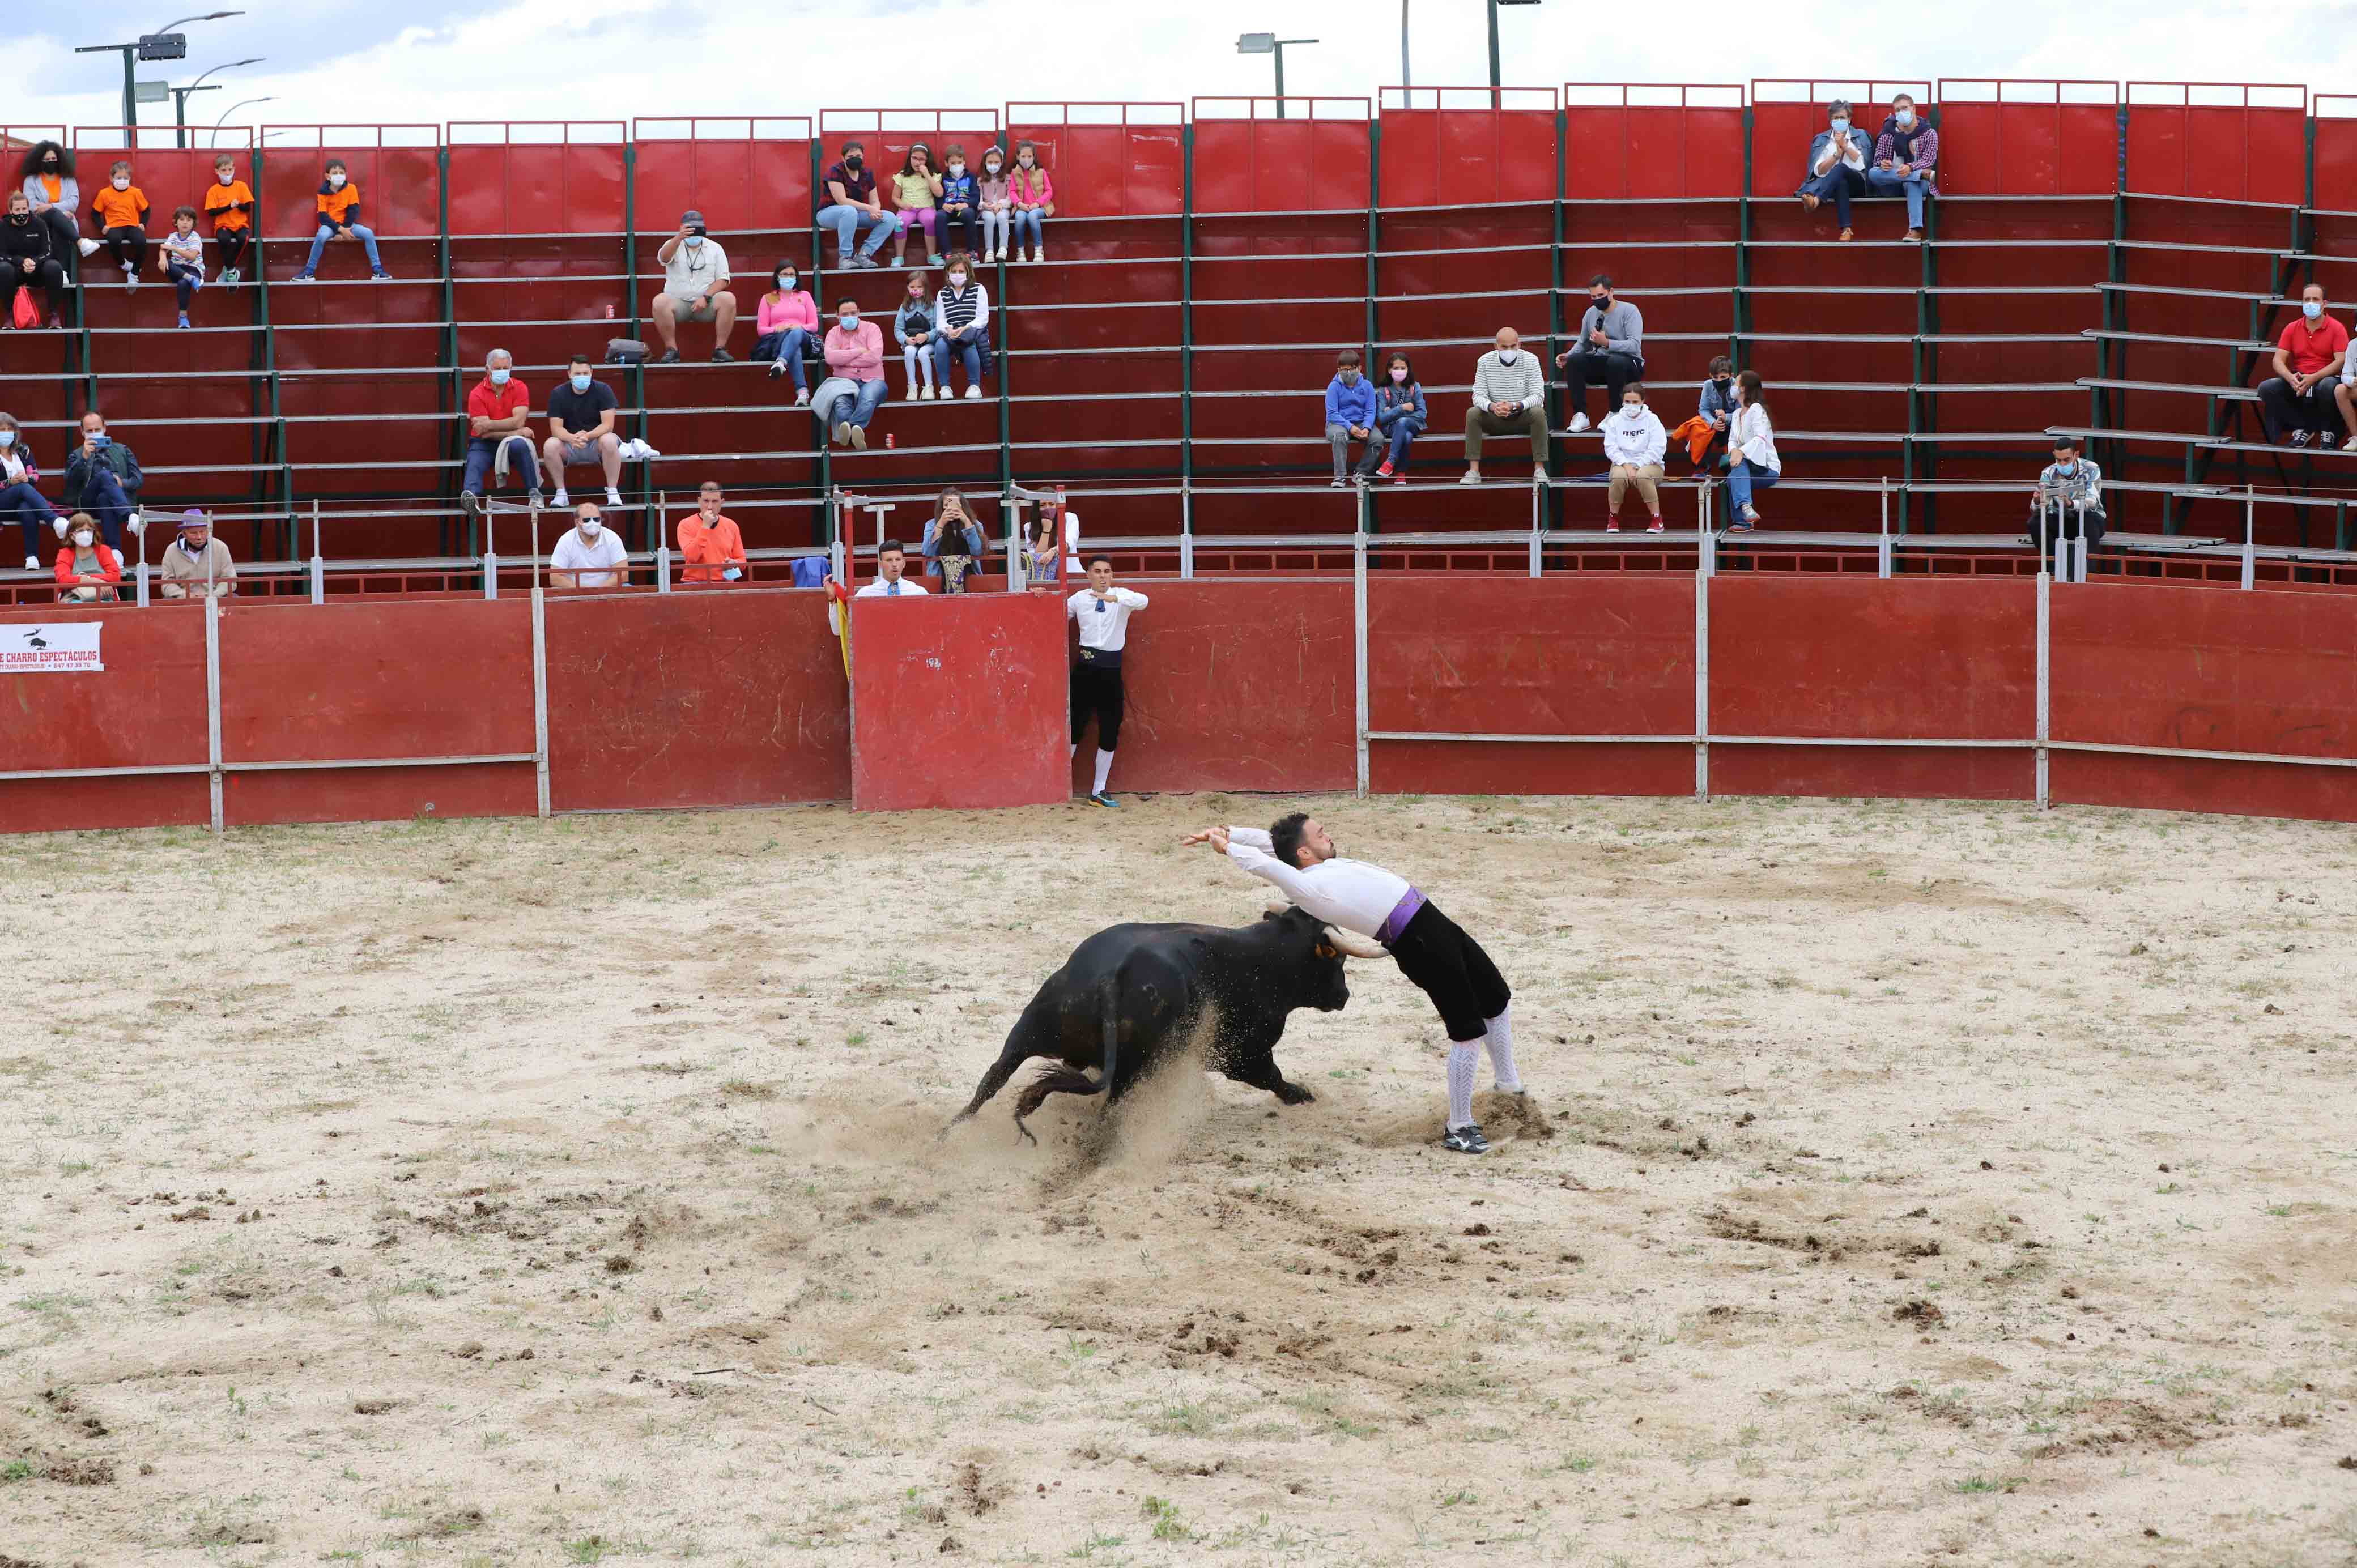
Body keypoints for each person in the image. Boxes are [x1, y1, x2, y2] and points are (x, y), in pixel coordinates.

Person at [1183, 813, 1525, 1155]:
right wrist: (1227, 848)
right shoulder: (1308, 887)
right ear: (1305, 852)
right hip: (1420, 944)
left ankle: (1509, 1085)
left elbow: (1271, 847)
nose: (1328, 836)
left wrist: (1230, 832)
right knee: (1467, 1033)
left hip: (1435, 923)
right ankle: (1460, 1127)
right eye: (1321, 834)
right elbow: (1264, 864)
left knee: (1497, 998)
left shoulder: (1318, 866)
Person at [1067, 556, 1148, 808]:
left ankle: (1098, 790)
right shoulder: (1079, 599)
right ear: (1088, 575)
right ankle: (1059, 786)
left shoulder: (1121, 596)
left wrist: (1116, 599)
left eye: (1108, 572)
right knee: (1075, 729)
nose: (1103, 576)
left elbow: (1144, 602)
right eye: (1098, 572)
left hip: (1111, 671)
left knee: (1111, 728)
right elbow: (1052, 616)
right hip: (1085, 670)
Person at [2256, 284, 2348, 448]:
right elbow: (2278, 360)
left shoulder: (2337, 328)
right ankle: (2303, 427)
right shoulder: (2292, 328)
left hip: (2326, 378)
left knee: (2327, 386)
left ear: (2324, 303)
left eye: (2315, 299)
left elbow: (2341, 360)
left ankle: (2328, 432)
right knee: (2266, 388)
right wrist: (2290, 378)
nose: (2310, 303)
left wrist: (2314, 378)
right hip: (2298, 377)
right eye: (2307, 300)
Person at [1555, 275, 1644, 433]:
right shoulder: (1591, 313)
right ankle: (1581, 415)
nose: (1597, 300)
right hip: (1604, 362)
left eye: (1601, 296)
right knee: (1576, 361)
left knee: (1615, 362)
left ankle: (1615, 414)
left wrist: (1607, 343)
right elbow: (1583, 342)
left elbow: (1634, 345)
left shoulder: (1630, 311)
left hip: (1630, 364)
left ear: (1611, 292)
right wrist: (1568, 356)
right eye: (1593, 297)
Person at [1461, 327, 1548, 485]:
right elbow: (1478, 396)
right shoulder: (1484, 362)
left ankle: (1540, 470)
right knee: (1473, 413)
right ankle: (1474, 471)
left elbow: (1538, 396)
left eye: (1513, 346)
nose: (1509, 350)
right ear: (1496, 346)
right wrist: (1493, 407)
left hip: (1522, 416)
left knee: (1538, 412)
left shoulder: (1531, 360)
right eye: (1504, 347)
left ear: (1519, 344)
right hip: (1496, 417)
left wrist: (1516, 406)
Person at [460, 349, 541, 515]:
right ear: (487, 370)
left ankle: (534, 493)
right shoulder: (476, 394)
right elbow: (484, 434)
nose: (502, 372)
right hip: (483, 444)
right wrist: (516, 432)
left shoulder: (520, 387)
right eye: (498, 368)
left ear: (511, 367)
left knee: (520, 445)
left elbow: (518, 421)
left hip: (511, 443)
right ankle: (471, 499)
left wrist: (490, 425)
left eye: (506, 368)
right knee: (474, 461)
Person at [652, 210, 736, 363]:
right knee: (659, 301)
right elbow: (663, 258)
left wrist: (706, 297)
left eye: (698, 228)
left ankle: (720, 349)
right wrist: (678, 239)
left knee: (728, 299)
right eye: (690, 228)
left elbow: (724, 279)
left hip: (706, 304)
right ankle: (672, 350)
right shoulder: (672, 245)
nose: (694, 232)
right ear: (682, 227)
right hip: (678, 303)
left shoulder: (715, 248)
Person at [539, 356, 623, 508]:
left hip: (597, 442)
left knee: (610, 440)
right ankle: (561, 493)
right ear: (569, 374)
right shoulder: (558, 393)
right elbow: (556, 428)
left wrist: (588, 436)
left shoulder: (603, 390)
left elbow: (608, 425)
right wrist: (572, 438)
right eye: (578, 374)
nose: (582, 377)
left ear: (592, 372)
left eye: (586, 373)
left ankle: (613, 491)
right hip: (570, 444)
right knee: (550, 445)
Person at [291, 158, 390, 282]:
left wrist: (343, 231)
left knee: (368, 234)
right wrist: (340, 231)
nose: (339, 175)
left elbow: (353, 211)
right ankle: (309, 272)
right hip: (331, 226)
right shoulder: (323, 192)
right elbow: (323, 216)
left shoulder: (351, 188)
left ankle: (377, 271)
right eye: (335, 173)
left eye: (342, 172)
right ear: (327, 176)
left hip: (348, 225)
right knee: (321, 236)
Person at [61, 410, 143, 553]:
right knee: (105, 475)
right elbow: (71, 482)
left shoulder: (123, 450)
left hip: (112, 502)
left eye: (97, 430)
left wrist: (122, 484)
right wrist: (84, 458)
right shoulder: (76, 455)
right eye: (90, 431)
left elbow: (138, 480)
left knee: (105, 497)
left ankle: (115, 552)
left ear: (105, 428)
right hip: (89, 503)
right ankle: (129, 516)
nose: (94, 433)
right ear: (82, 432)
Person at [18, 142, 100, 283]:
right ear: (40, 161)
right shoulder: (31, 181)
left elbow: (74, 203)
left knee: (58, 225)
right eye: (47, 160)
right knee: (55, 215)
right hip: (40, 222)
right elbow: (31, 206)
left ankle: (61, 273)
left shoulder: (68, 179)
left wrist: (50, 206)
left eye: (54, 159)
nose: (51, 162)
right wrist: (60, 210)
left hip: (63, 223)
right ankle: (80, 242)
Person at [1866, 93, 1939, 243]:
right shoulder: (1888, 133)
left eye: (1905, 108)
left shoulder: (1929, 133)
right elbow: (1878, 161)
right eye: (1898, 110)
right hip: (1892, 182)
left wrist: (1910, 168)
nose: (1901, 113)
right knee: (1873, 173)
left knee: (1913, 182)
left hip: (1918, 186)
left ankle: (1915, 231)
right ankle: (1918, 175)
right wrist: (1883, 164)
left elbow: (1929, 160)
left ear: (1914, 109)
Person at [817, 299, 888, 448]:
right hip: (844, 381)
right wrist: (859, 352)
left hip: (873, 380)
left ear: (859, 313)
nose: (850, 316)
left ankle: (851, 429)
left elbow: (875, 357)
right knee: (840, 403)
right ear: (837, 316)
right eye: (845, 314)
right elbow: (830, 358)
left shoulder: (872, 329)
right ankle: (855, 433)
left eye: (853, 313)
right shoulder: (833, 333)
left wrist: (844, 360)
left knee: (868, 398)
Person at [1797, 100, 1870, 242]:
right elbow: (1818, 171)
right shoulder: (1822, 140)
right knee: (1841, 182)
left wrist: (1845, 146)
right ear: (1830, 121)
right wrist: (1836, 155)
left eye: (1843, 118)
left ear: (1849, 119)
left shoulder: (1861, 136)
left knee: (1841, 168)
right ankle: (1846, 230)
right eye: (1836, 118)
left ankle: (1816, 200)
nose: (1839, 121)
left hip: (1858, 183)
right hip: (1832, 186)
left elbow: (1863, 165)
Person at [1601, 382, 1668, 534]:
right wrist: (1626, 465)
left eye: (1635, 402)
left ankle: (1657, 519)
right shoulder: (1615, 421)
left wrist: (1638, 465)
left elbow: (1657, 448)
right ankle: (1613, 518)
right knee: (1618, 477)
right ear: (1622, 402)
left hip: (1652, 464)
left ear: (1643, 401)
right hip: (1622, 464)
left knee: (1643, 476)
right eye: (1628, 402)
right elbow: (1611, 447)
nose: (1631, 405)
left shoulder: (1652, 420)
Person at [816, 140, 893, 269]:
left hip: (855, 214)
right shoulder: (835, 171)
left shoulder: (867, 173)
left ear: (863, 157)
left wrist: (876, 210)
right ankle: (845, 258)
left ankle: (864, 255)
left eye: (858, 156)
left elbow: (875, 200)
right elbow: (842, 201)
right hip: (828, 214)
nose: (855, 159)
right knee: (848, 210)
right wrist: (869, 208)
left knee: (889, 218)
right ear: (843, 158)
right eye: (850, 157)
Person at [2029, 435, 2105, 564]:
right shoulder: (2048, 473)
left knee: (2090, 522)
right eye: (2058, 460)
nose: (2062, 464)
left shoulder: (2091, 469)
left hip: (2087, 518)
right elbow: (2035, 509)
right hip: (2060, 518)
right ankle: (2057, 565)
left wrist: (2070, 504)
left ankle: (2087, 573)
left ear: (2076, 455)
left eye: (2066, 460)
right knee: (2035, 523)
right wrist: (2037, 501)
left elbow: (2093, 502)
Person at [0, 412, 61, 570]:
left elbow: (35, 474)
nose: (6, 432)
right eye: (2, 429)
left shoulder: (23, 450)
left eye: (9, 429)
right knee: (21, 488)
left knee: (28, 509)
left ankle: (32, 557)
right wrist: (10, 482)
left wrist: (28, 478)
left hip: (19, 501)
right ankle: (54, 521)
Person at [1722, 369, 1780, 531]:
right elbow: (1732, 440)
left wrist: (1741, 452)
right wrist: (1734, 451)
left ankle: (1746, 510)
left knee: (1738, 466)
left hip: (1767, 469)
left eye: (1736, 383)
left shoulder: (1756, 409)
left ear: (1743, 388)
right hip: (1746, 468)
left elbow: (1760, 438)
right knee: (1732, 478)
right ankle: (1743, 521)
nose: (1733, 385)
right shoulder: (1736, 414)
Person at [1, 191, 66, 332]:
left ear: (28, 208)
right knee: (4, 269)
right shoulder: (3, 227)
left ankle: (53, 314)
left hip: (37, 270)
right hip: (14, 272)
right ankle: (10, 315)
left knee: (54, 267)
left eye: (24, 209)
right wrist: (21, 262)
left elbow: (48, 252)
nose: (21, 213)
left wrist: (34, 262)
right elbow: (2, 254)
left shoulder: (39, 223)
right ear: (10, 210)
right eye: (17, 210)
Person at [756, 262, 819, 402]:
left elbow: (814, 326)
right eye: (784, 274)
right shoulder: (768, 298)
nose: (788, 277)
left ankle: (781, 363)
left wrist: (798, 327)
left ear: (796, 277)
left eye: (791, 274)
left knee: (796, 332)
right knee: (793, 348)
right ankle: (802, 392)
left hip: (805, 339)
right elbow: (761, 330)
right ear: (778, 277)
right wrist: (776, 329)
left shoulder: (805, 296)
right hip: (779, 340)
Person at [1360, 351, 1426, 483]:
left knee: (1403, 422)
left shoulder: (1415, 386)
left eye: (1403, 368)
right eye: (1396, 368)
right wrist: (1401, 408)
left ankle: (1390, 462)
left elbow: (1422, 413)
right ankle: (1401, 472)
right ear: (1390, 370)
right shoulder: (1384, 390)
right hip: (1391, 429)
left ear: (1408, 369)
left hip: (1413, 425)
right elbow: (1382, 418)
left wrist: (1394, 413)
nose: (1399, 371)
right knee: (1406, 437)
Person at [931, 254, 991, 400]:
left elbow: (983, 317)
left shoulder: (979, 289)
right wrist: (948, 330)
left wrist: (966, 328)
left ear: (968, 272)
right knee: (940, 346)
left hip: (972, 330)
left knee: (967, 344)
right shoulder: (942, 294)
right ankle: (945, 387)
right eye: (954, 271)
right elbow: (940, 320)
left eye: (961, 271)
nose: (957, 275)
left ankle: (974, 386)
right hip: (951, 331)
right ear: (948, 273)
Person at [90, 161, 149, 287]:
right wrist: (103, 227)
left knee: (141, 242)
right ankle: (122, 264)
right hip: (114, 226)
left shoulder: (136, 192)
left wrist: (143, 224)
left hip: (132, 225)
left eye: (125, 178)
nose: (122, 181)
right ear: (111, 178)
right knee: (114, 239)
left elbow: (146, 210)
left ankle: (134, 274)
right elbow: (95, 213)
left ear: (130, 179)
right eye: (119, 178)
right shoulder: (104, 193)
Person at [677, 480, 748, 585]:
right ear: (699, 501)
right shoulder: (685, 524)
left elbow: (742, 561)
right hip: (695, 583)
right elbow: (692, 557)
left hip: (725, 583)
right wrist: (705, 527)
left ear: (722, 502)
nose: (710, 506)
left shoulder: (731, 525)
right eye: (706, 501)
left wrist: (734, 563)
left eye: (715, 501)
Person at [1325, 350, 1377, 486]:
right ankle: (1340, 476)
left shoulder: (1368, 386)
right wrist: (1350, 427)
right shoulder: (1334, 387)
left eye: (1352, 369)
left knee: (1378, 439)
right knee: (1340, 436)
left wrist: (1367, 427)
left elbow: (1371, 410)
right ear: (1339, 370)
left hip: (1361, 422)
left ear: (1359, 368)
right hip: (1338, 423)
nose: (1349, 372)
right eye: (1344, 370)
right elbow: (1332, 413)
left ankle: (1361, 473)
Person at [158, 508, 236, 599]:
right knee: (167, 602)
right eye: (194, 533)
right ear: (184, 534)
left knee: (234, 599)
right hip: (183, 600)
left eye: (202, 532)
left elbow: (230, 580)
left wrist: (214, 595)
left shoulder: (221, 547)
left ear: (208, 530)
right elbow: (167, 584)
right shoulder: (172, 550)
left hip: (216, 597)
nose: (199, 537)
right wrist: (185, 595)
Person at [548, 501, 629, 588]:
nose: (593, 523)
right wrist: (581, 592)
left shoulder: (612, 538)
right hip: (574, 592)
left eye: (596, 519)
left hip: (607, 591)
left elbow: (624, 574)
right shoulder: (566, 541)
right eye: (587, 520)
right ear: (577, 522)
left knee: (627, 588)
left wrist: (598, 591)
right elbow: (555, 577)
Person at [202, 155, 253, 286]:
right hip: (223, 225)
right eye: (224, 170)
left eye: (230, 169)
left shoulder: (241, 186)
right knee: (224, 239)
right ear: (217, 171)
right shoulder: (213, 190)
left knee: (244, 239)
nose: (227, 173)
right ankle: (232, 271)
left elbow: (247, 208)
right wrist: (228, 207)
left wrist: (238, 205)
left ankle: (229, 270)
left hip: (241, 224)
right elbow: (211, 212)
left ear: (234, 169)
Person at [890, 143, 943, 268]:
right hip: (908, 209)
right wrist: (903, 205)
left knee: (931, 220)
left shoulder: (933, 175)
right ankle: (899, 257)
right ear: (910, 158)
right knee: (900, 223)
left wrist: (927, 175)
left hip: (926, 208)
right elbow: (894, 197)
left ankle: (931, 256)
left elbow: (939, 193)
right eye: (915, 158)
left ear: (927, 160)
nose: (917, 162)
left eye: (922, 159)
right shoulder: (902, 176)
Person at [923, 487, 984, 591]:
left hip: (970, 577)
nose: (951, 509)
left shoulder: (975, 525)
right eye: (947, 505)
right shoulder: (931, 525)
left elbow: (977, 551)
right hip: (939, 578)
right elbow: (927, 552)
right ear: (941, 507)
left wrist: (967, 522)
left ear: (962, 506)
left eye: (955, 505)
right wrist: (941, 524)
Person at [53, 513, 122, 603]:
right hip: (75, 598)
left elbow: (115, 576)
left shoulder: (103, 550)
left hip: (104, 598)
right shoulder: (65, 553)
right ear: (71, 535)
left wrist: (84, 578)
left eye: (89, 530)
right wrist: (96, 582)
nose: (86, 533)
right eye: (81, 531)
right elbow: (63, 579)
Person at [894, 270, 939, 400]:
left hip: (929, 344)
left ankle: (929, 387)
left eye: (920, 287)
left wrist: (927, 336)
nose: (916, 290)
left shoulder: (933, 305)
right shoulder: (905, 307)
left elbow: (939, 328)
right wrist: (906, 340)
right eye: (912, 287)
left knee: (922, 353)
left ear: (926, 288)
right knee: (909, 351)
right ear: (908, 288)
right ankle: (912, 387)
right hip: (912, 343)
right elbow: (898, 329)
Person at [158, 207, 205, 330]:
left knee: (183, 283)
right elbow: (163, 249)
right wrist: (162, 257)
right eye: (182, 220)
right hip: (178, 269)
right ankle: (191, 279)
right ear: (176, 222)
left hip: (193, 269)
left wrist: (175, 248)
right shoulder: (173, 236)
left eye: (189, 220)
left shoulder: (195, 237)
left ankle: (183, 318)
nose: (185, 223)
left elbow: (193, 256)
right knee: (163, 263)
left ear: (193, 223)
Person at [1009, 142, 1053, 263]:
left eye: (1029, 156)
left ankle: (1039, 250)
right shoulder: (1015, 173)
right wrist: (1019, 204)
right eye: (1023, 156)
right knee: (1020, 218)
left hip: (1039, 207)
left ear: (1034, 157)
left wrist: (1038, 203)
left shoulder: (1041, 172)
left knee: (1033, 217)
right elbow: (1012, 192)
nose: (1026, 159)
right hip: (1022, 208)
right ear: (1018, 157)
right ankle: (1020, 251)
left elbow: (1049, 191)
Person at [938, 145, 980, 259]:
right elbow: (937, 197)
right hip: (948, 209)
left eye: (959, 162)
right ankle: (946, 253)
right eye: (953, 163)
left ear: (964, 161)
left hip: (965, 209)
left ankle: (973, 252)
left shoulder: (971, 177)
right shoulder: (942, 178)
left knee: (969, 214)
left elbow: (976, 196)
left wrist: (966, 205)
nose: (957, 166)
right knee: (940, 216)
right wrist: (943, 205)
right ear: (946, 163)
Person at [853, 538, 929, 596]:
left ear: (904, 563)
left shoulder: (919, 592)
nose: (894, 564)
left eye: (898, 560)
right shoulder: (865, 594)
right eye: (889, 560)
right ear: (880, 564)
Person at [977, 146, 1012, 264]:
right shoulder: (981, 180)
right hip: (987, 209)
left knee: (1002, 217)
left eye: (997, 162)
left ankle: (1003, 248)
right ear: (985, 163)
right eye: (990, 162)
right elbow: (979, 200)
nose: (993, 165)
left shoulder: (1008, 179)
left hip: (1003, 208)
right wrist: (984, 205)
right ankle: (990, 250)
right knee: (989, 218)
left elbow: (1010, 198)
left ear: (1002, 163)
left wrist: (1001, 204)